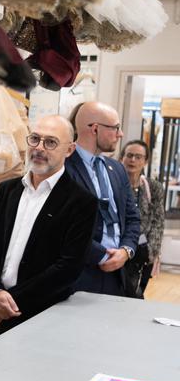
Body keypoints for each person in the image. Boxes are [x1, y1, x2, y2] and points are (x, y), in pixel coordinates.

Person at [0, 116, 98, 347]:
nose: (39, 148)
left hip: (40, 316)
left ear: (69, 150)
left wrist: (10, 302)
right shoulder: (6, 190)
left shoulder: (81, 201)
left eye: (50, 142)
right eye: (35, 139)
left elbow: (68, 267)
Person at [65, 102, 141, 296]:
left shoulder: (117, 169)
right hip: (80, 273)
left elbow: (132, 217)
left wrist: (126, 251)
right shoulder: (64, 167)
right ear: (95, 129)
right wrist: (101, 256)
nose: (120, 134)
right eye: (115, 127)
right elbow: (62, 225)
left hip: (118, 273)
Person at [120, 139, 165, 297]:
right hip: (120, 249)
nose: (133, 160)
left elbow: (158, 222)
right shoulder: (115, 184)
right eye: (129, 155)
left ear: (145, 161)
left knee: (137, 293)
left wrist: (152, 252)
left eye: (138, 157)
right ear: (122, 158)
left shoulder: (153, 187)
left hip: (143, 252)